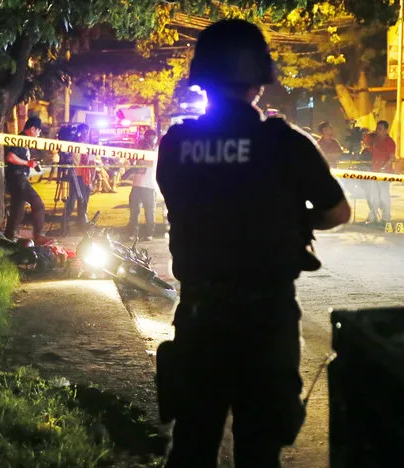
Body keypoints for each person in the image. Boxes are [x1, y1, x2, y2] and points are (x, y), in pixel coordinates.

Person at [154, 19, 351, 468]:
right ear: (259, 81)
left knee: (192, 444)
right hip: (266, 318)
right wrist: (288, 218)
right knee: (260, 449)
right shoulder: (284, 143)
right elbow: (338, 211)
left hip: (200, 315)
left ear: (201, 78)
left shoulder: (176, 144)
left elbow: (183, 201)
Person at [4, 117, 54, 245]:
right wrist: (28, 163)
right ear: (32, 129)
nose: (38, 134)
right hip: (17, 177)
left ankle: (9, 237)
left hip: (17, 177)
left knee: (18, 209)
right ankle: (38, 236)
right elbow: (10, 157)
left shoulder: (24, 141)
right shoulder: (21, 139)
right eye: (38, 131)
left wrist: (30, 163)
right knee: (38, 204)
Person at [128, 129, 159, 240]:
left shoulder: (155, 151)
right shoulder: (140, 150)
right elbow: (132, 161)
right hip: (137, 184)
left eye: (152, 138)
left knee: (149, 211)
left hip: (149, 185)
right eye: (148, 138)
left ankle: (149, 233)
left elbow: (143, 166)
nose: (150, 141)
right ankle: (133, 233)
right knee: (134, 211)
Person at [62, 123, 94, 234]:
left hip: (86, 177)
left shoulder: (90, 146)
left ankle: (82, 225)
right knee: (72, 201)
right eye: (84, 132)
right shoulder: (73, 145)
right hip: (75, 176)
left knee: (84, 202)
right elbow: (67, 158)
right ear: (79, 132)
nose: (86, 134)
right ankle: (64, 225)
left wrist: (92, 178)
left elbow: (92, 162)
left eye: (87, 132)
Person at [367, 120, 396, 224]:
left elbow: (392, 158)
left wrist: (383, 168)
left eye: (380, 128)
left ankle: (386, 217)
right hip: (375, 172)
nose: (377, 131)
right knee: (374, 196)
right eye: (377, 128)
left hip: (385, 173)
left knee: (384, 196)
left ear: (385, 130)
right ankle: (373, 216)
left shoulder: (389, 142)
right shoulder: (376, 140)